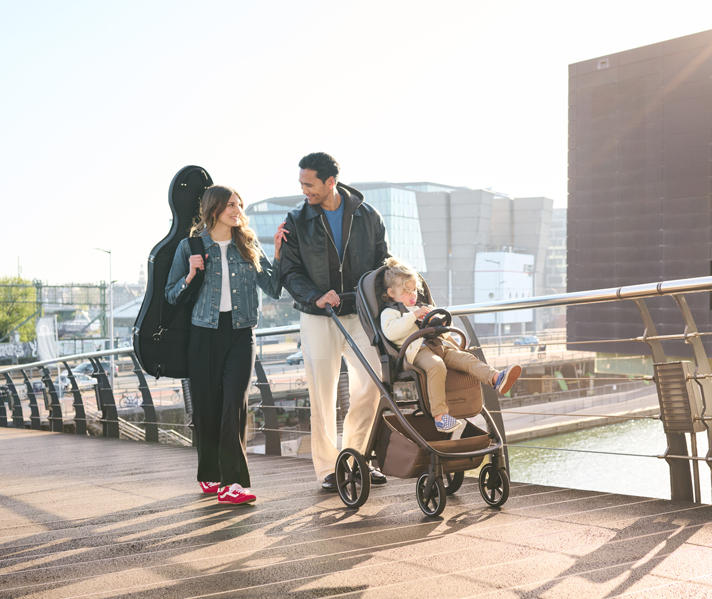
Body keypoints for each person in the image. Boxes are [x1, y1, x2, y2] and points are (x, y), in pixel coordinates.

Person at [165, 185, 286, 505]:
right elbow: (170, 295)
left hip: (240, 333)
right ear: (214, 209)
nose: (238, 210)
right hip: (203, 333)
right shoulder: (190, 246)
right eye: (231, 205)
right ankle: (210, 472)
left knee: (235, 403)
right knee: (207, 407)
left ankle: (234, 482)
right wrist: (191, 274)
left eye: (239, 205)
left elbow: (273, 289)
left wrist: (277, 253)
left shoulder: (248, 244)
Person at [280, 152, 390, 492]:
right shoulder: (296, 220)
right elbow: (289, 271)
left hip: (359, 313)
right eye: (301, 184)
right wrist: (315, 295)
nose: (304, 191)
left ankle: (356, 456)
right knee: (322, 394)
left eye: (309, 184)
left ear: (331, 182)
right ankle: (329, 467)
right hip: (318, 315)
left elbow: (381, 260)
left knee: (374, 380)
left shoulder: (367, 215)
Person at [379, 257, 521, 432]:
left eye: (414, 290)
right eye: (407, 291)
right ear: (392, 293)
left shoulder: (423, 307)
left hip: (440, 345)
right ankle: (440, 416)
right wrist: (413, 316)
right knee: (437, 366)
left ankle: (496, 378)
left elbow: (444, 332)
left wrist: (444, 330)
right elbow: (391, 332)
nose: (413, 295)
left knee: (466, 359)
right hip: (417, 351)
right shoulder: (390, 312)